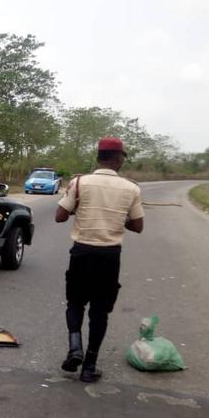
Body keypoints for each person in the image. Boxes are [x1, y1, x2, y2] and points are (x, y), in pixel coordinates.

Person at [55, 137, 144, 383]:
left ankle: (75, 347)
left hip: (82, 253)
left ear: (98, 157)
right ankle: (89, 366)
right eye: (123, 157)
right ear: (118, 159)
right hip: (109, 257)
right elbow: (138, 226)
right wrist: (120, 216)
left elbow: (59, 216)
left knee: (75, 303)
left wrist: (76, 206)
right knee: (99, 312)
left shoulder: (80, 183)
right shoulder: (131, 189)